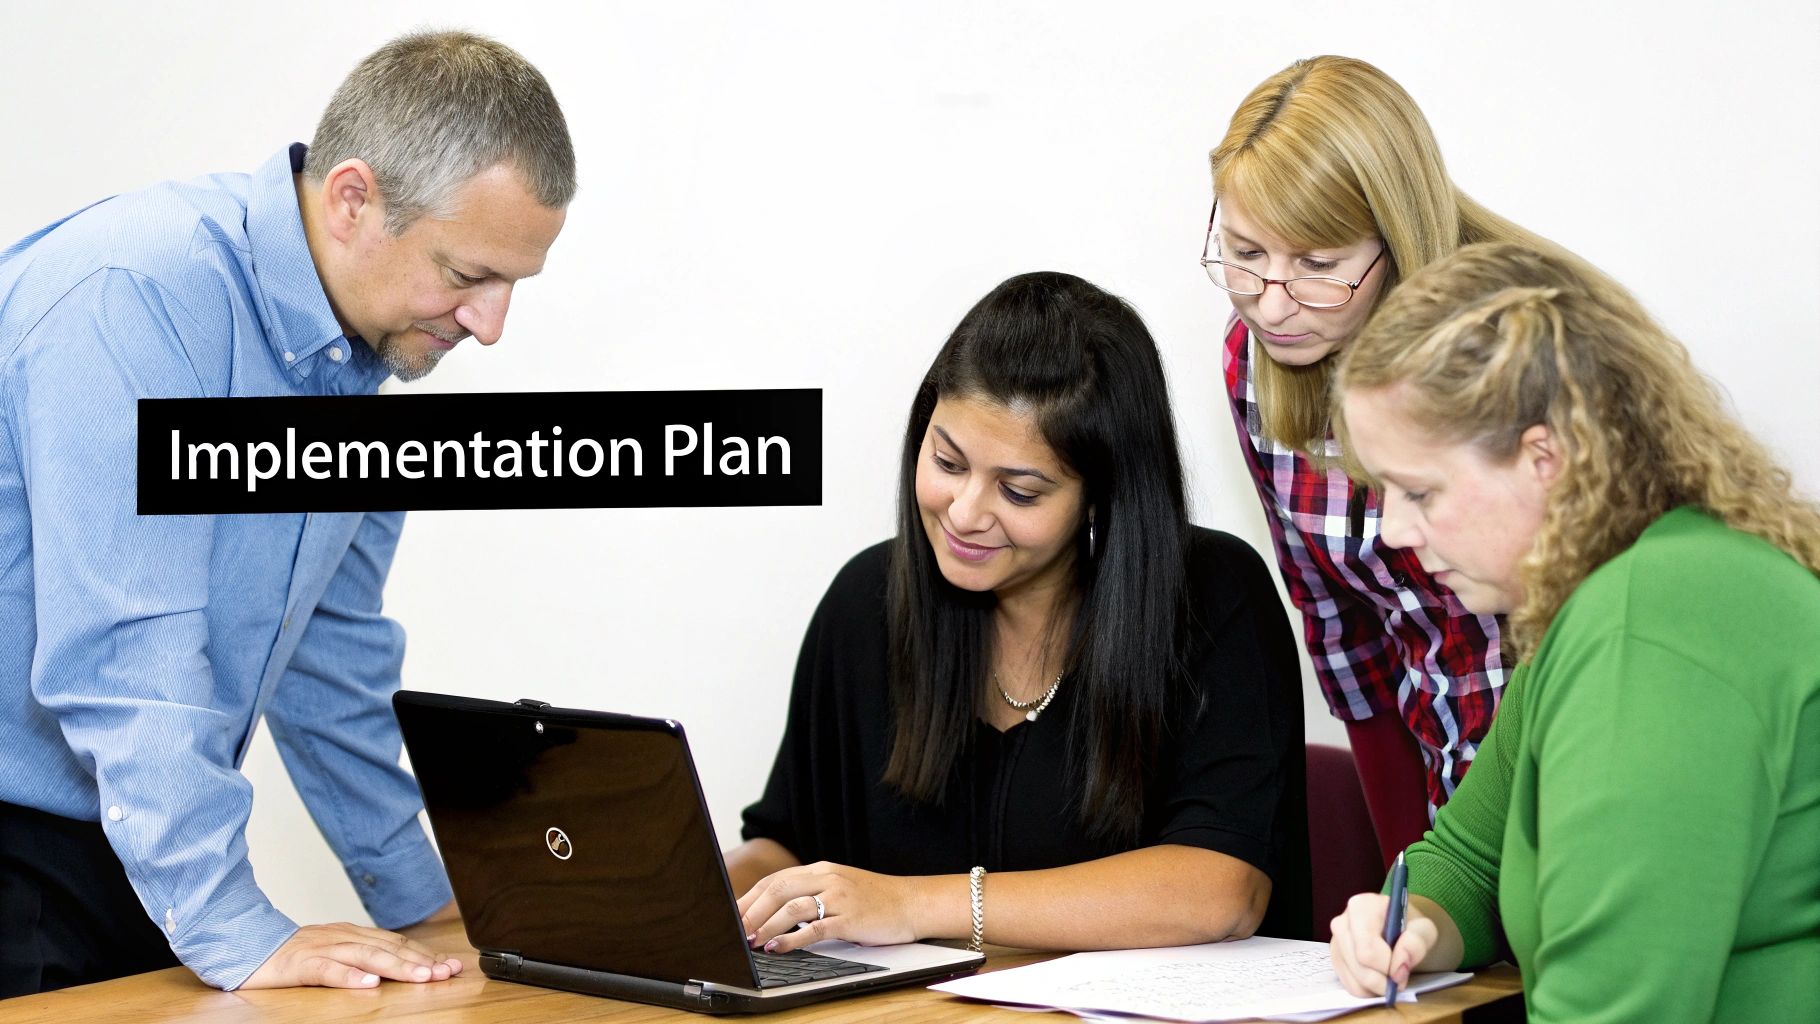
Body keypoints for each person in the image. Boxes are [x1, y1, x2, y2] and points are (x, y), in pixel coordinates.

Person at [0, 31, 574, 996]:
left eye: (513, 284)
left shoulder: (370, 354)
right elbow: (123, 657)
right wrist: (235, 927)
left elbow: (327, 652)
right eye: (468, 275)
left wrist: (425, 902)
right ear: (353, 200)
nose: (492, 325)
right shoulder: (135, 296)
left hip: (133, 839)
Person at [726, 271, 1310, 953]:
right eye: (948, 462)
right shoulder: (867, 600)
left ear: (1101, 497)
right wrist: (683, 894)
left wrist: (912, 905)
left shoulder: (1212, 597)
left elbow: (1221, 891)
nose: (965, 513)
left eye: (1020, 492)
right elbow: (786, 845)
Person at [1326, 242, 1820, 1020]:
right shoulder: (1607, 596)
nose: (1392, 532)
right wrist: (1412, 919)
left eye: (1419, 492)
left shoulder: (1650, 623)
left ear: (1544, 459)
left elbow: (1612, 1008)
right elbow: (1468, 859)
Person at [1204, 56, 1567, 861]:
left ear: (1394, 238)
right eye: (1245, 252)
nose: (1271, 302)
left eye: (1318, 265)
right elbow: (1342, 629)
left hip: (1571, 779)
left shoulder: (1523, 356)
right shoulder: (1253, 364)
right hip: (1445, 797)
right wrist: (1414, 867)